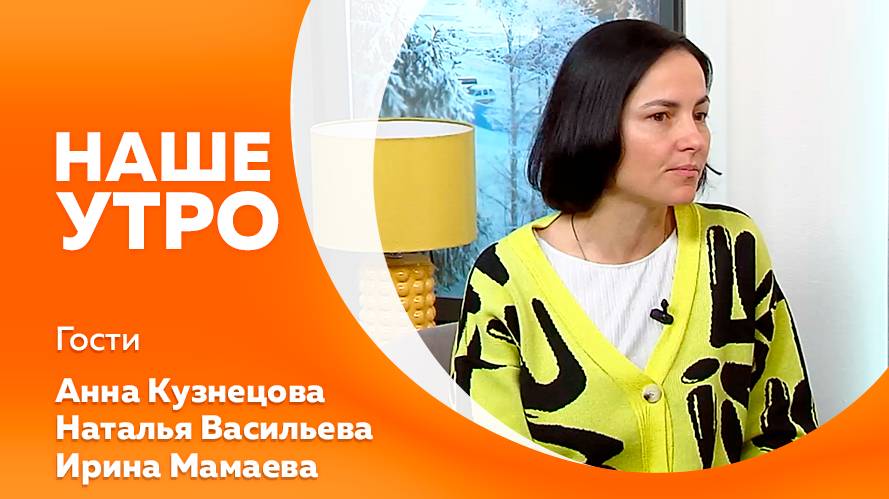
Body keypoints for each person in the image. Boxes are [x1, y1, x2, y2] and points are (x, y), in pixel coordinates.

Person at [450, 19, 817, 472]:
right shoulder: (504, 278)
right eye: (661, 116)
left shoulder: (731, 246)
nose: (694, 139)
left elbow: (784, 431)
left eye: (700, 115)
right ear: (595, 124)